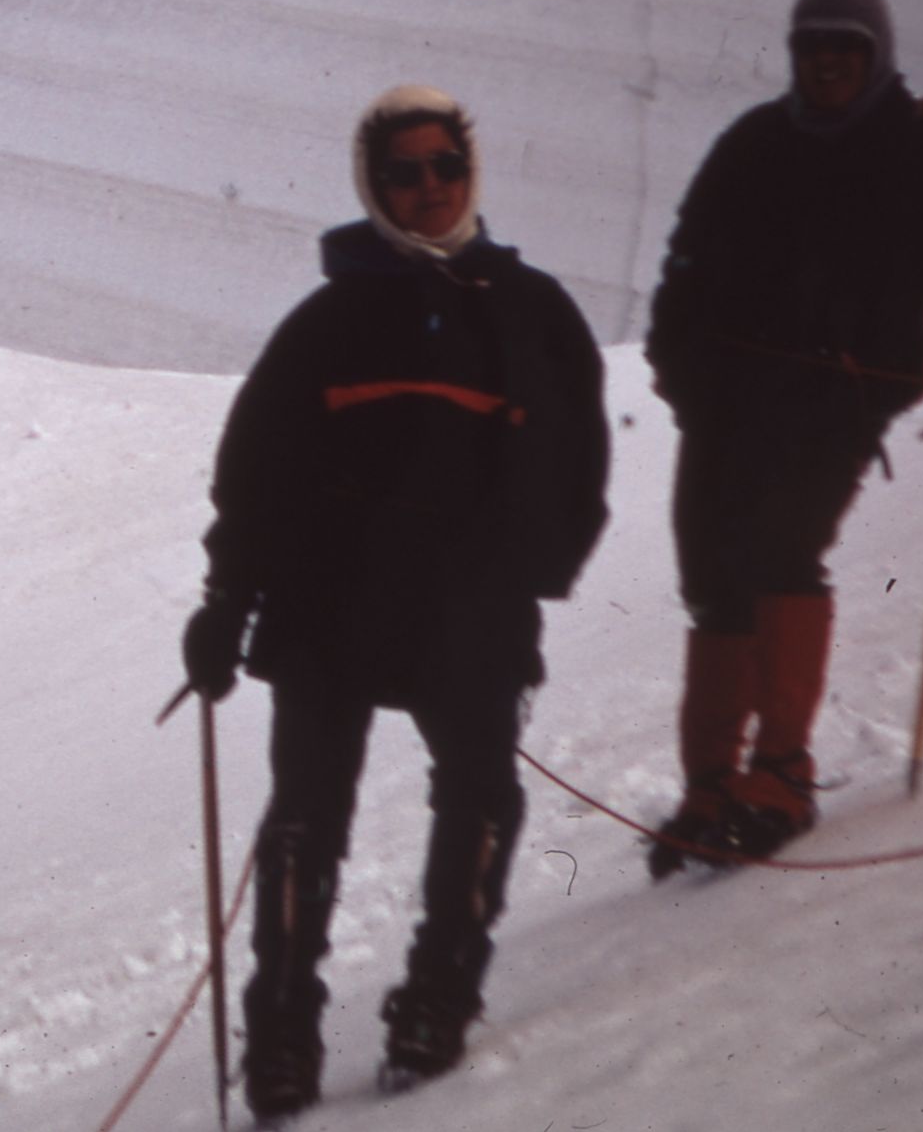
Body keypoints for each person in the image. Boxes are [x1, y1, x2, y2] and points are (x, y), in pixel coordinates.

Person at [182, 85, 609, 1121]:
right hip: (327, 602)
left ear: (470, 171)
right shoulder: (328, 320)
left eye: (444, 165)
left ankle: (437, 998)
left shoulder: (531, 309)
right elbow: (257, 472)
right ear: (372, 185)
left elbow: (575, 457)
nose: (428, 187)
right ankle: (280, 1038)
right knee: (305, 822)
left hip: (471, 606)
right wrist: (226, 600)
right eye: (403, 172)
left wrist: (528, 573)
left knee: (477, 797)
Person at [642, 0, 923, 875]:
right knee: (710, 567)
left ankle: (781, 773)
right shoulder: (753, 142)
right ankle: (711, 787)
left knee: (781, 550)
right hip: (727, 394)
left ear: (876, 54)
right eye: (811, 45)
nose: (824, 62)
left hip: (842, 392)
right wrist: (678, 366)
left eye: (844, 47)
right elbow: (685, 262)